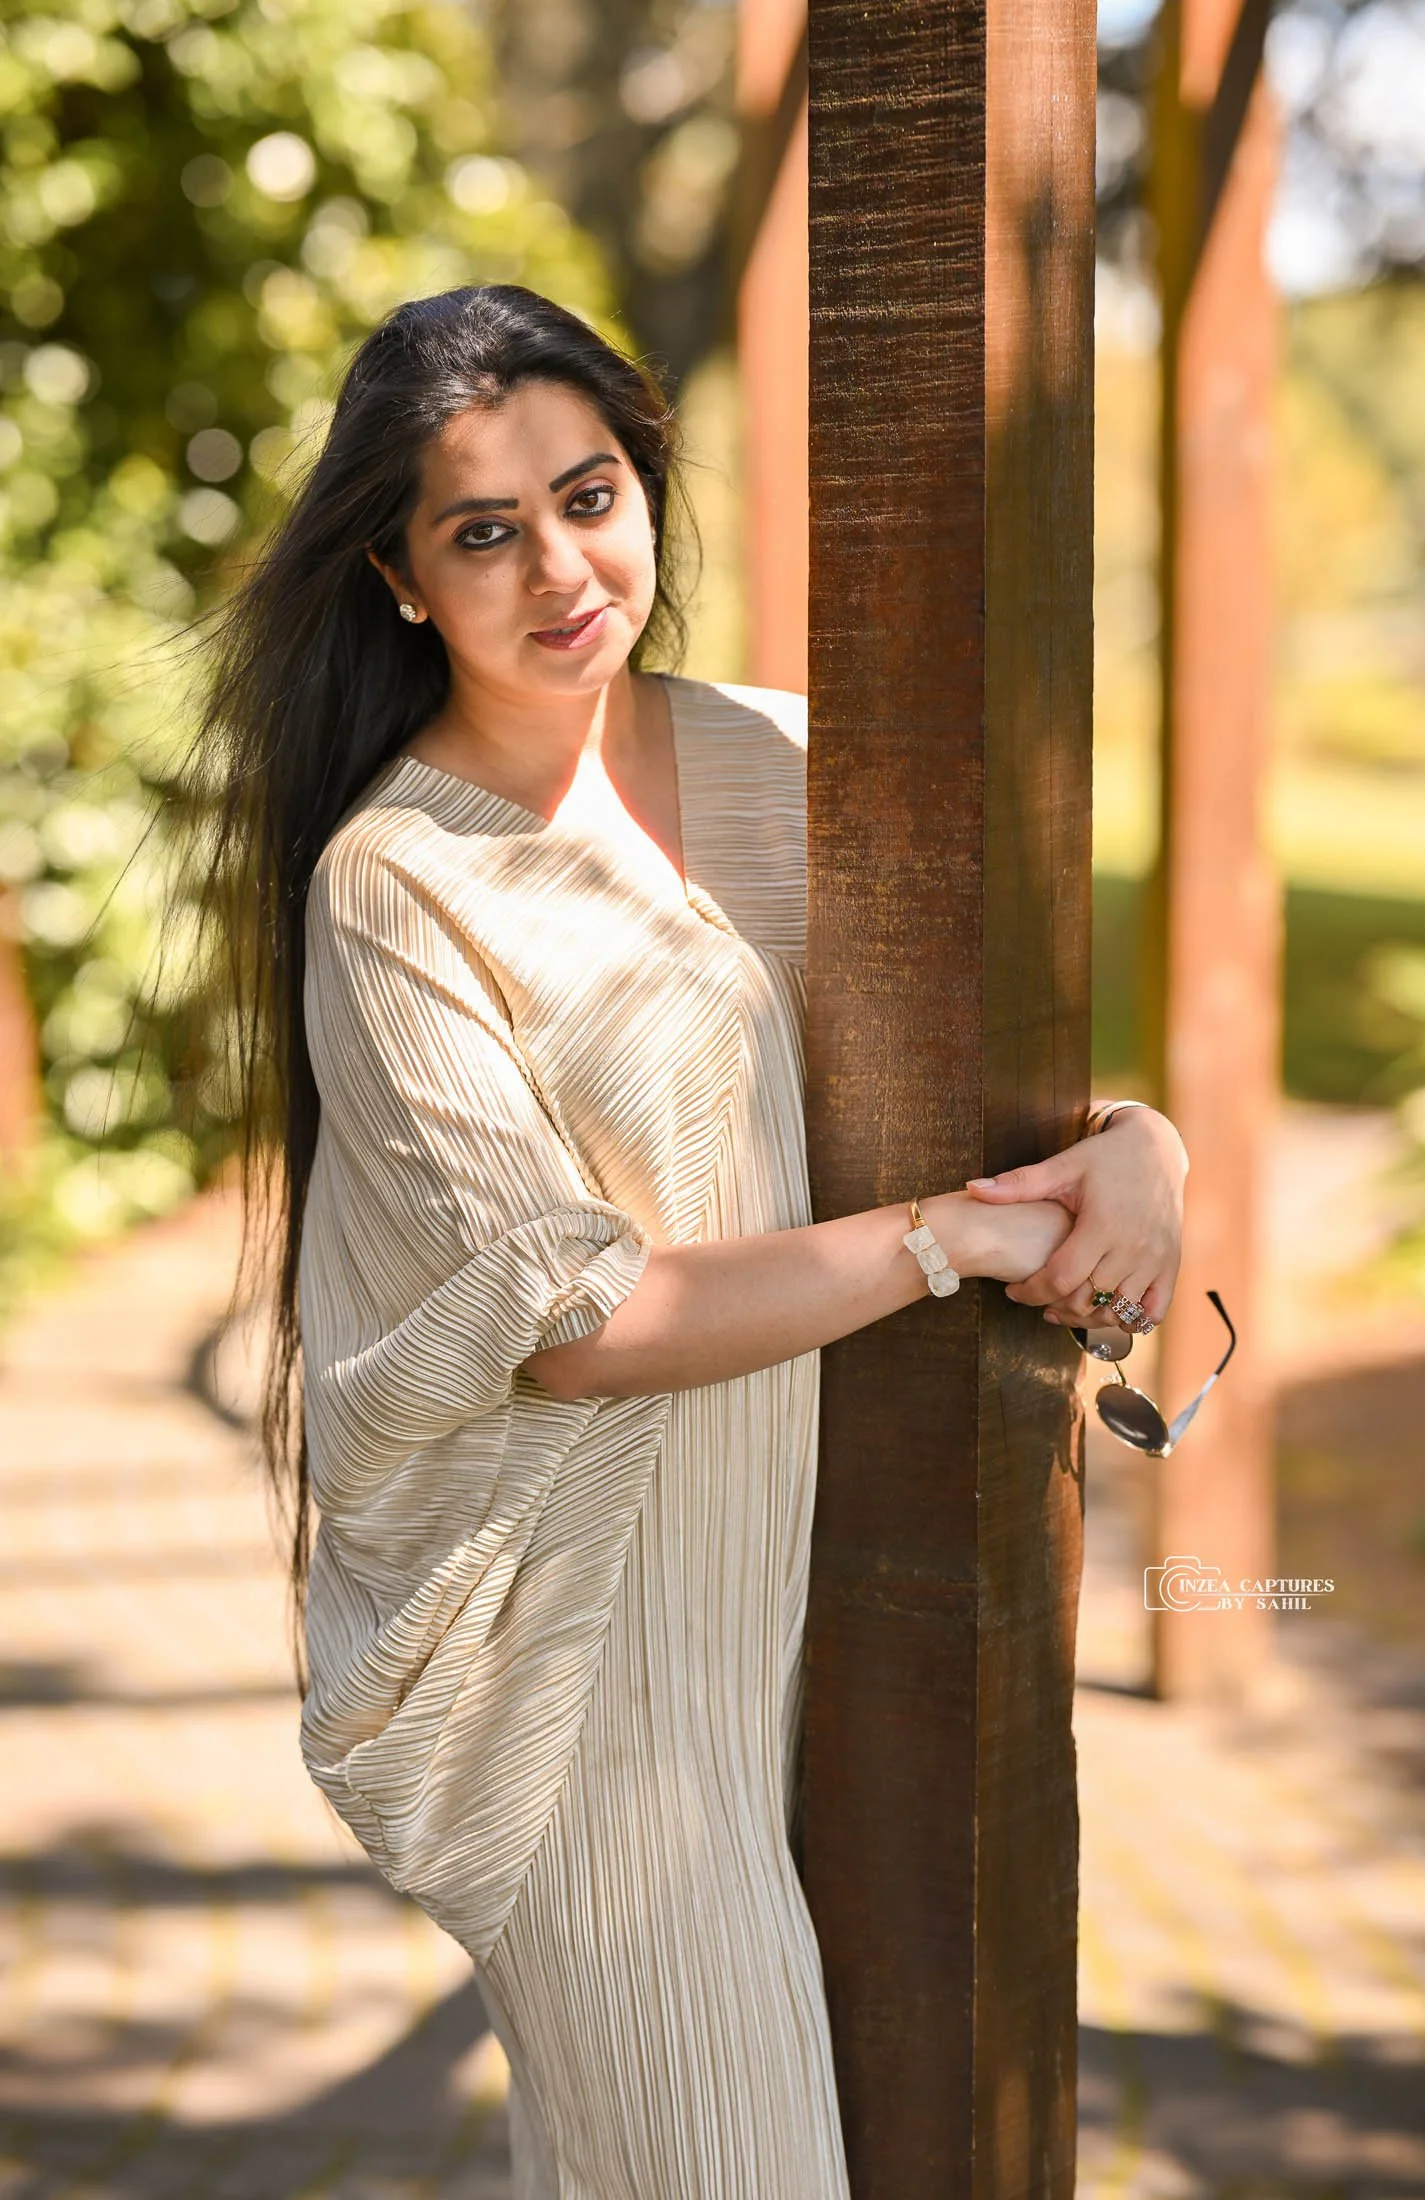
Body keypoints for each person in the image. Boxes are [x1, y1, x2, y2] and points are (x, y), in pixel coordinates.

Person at [197, 284, 1187, 2200]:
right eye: (483, 531)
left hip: (827, 1600)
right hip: (589, 1684)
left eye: (589, 495)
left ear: (644, 485)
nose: (561, 566)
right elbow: (577, 1319)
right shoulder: (397, 885)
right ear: (401, 580)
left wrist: (1135, 1145)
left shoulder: (797, 761)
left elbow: (990, 1082)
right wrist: (951, 1246)